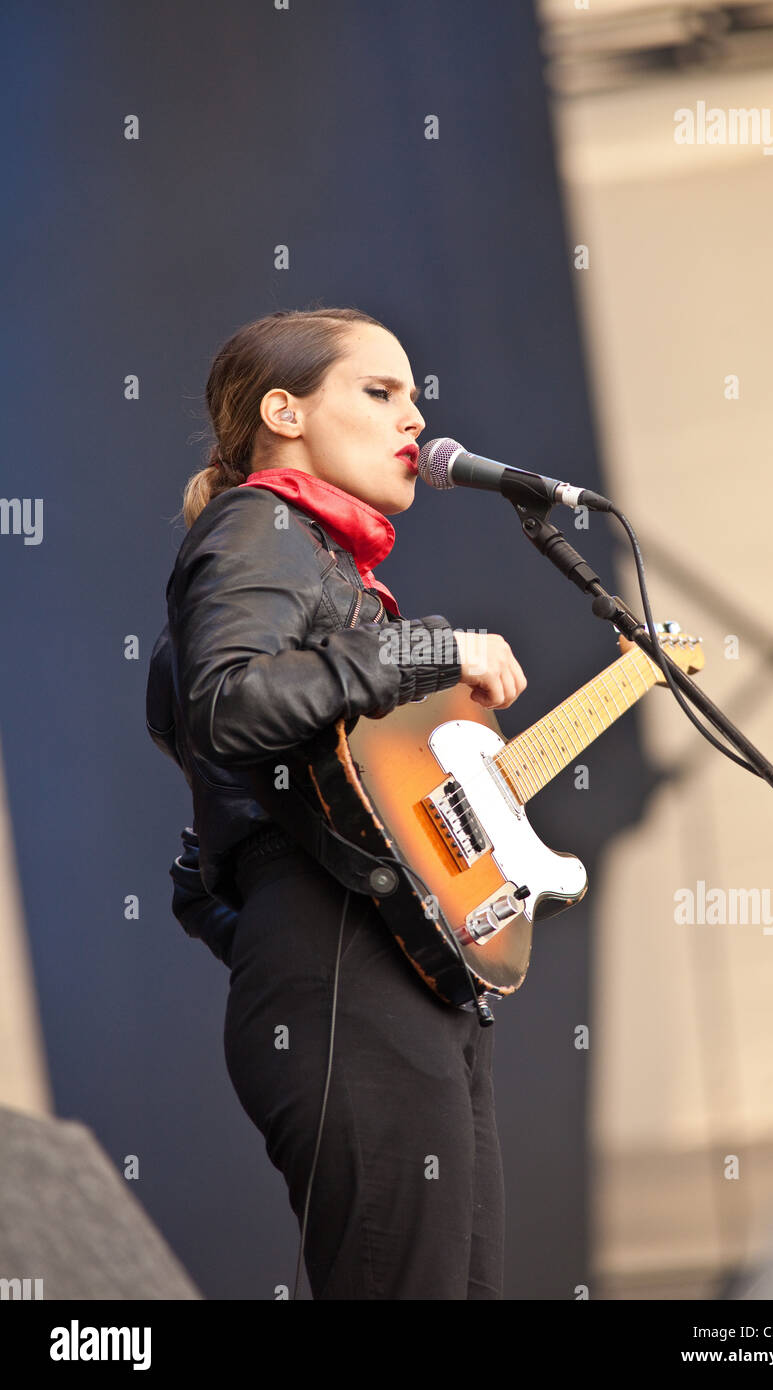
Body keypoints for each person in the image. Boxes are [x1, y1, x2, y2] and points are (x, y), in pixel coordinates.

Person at [145, 306, 526, 1300]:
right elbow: (228, 702)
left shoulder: (324, 568)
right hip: (339, 955)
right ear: (284, 411)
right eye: (379, 390)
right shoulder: (261, 521)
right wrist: (428, 648)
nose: (415, 418)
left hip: (392, 959)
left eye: (416, 396)